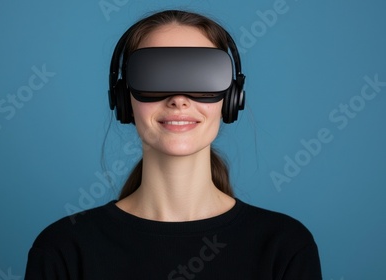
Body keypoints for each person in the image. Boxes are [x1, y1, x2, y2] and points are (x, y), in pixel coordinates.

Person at [25, 9, 322, 279]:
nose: (179, 99)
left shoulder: (285, 246)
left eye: (200, 77)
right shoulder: (64, 249)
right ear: (123, 99)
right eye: (155, 76)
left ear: (231, 99)